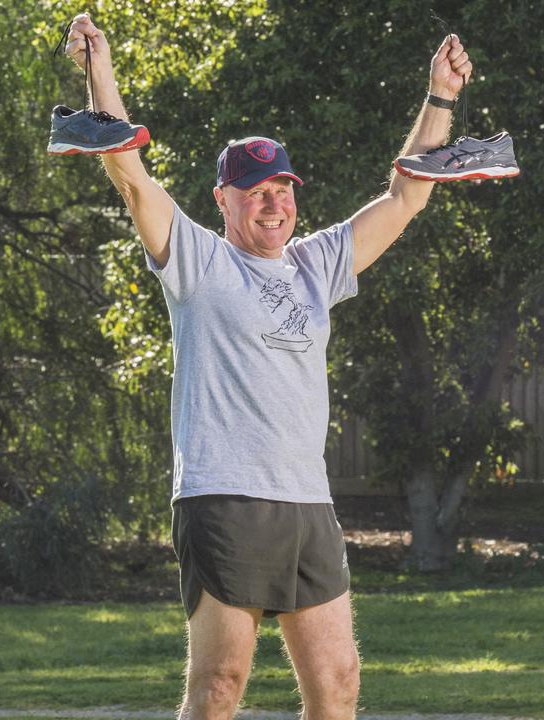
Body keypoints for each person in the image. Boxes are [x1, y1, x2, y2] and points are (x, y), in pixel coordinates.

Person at [63, 13, 474, 720]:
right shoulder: (198, 261)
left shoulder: (317, 265)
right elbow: (129, 173)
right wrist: (99, 72)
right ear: (223, 200)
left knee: (339, 685)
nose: (272, 201)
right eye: (254, 190)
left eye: (282, 187)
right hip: (222, 496)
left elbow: (408, 194)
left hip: (307, 502)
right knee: (220, 684)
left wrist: (440, 98)